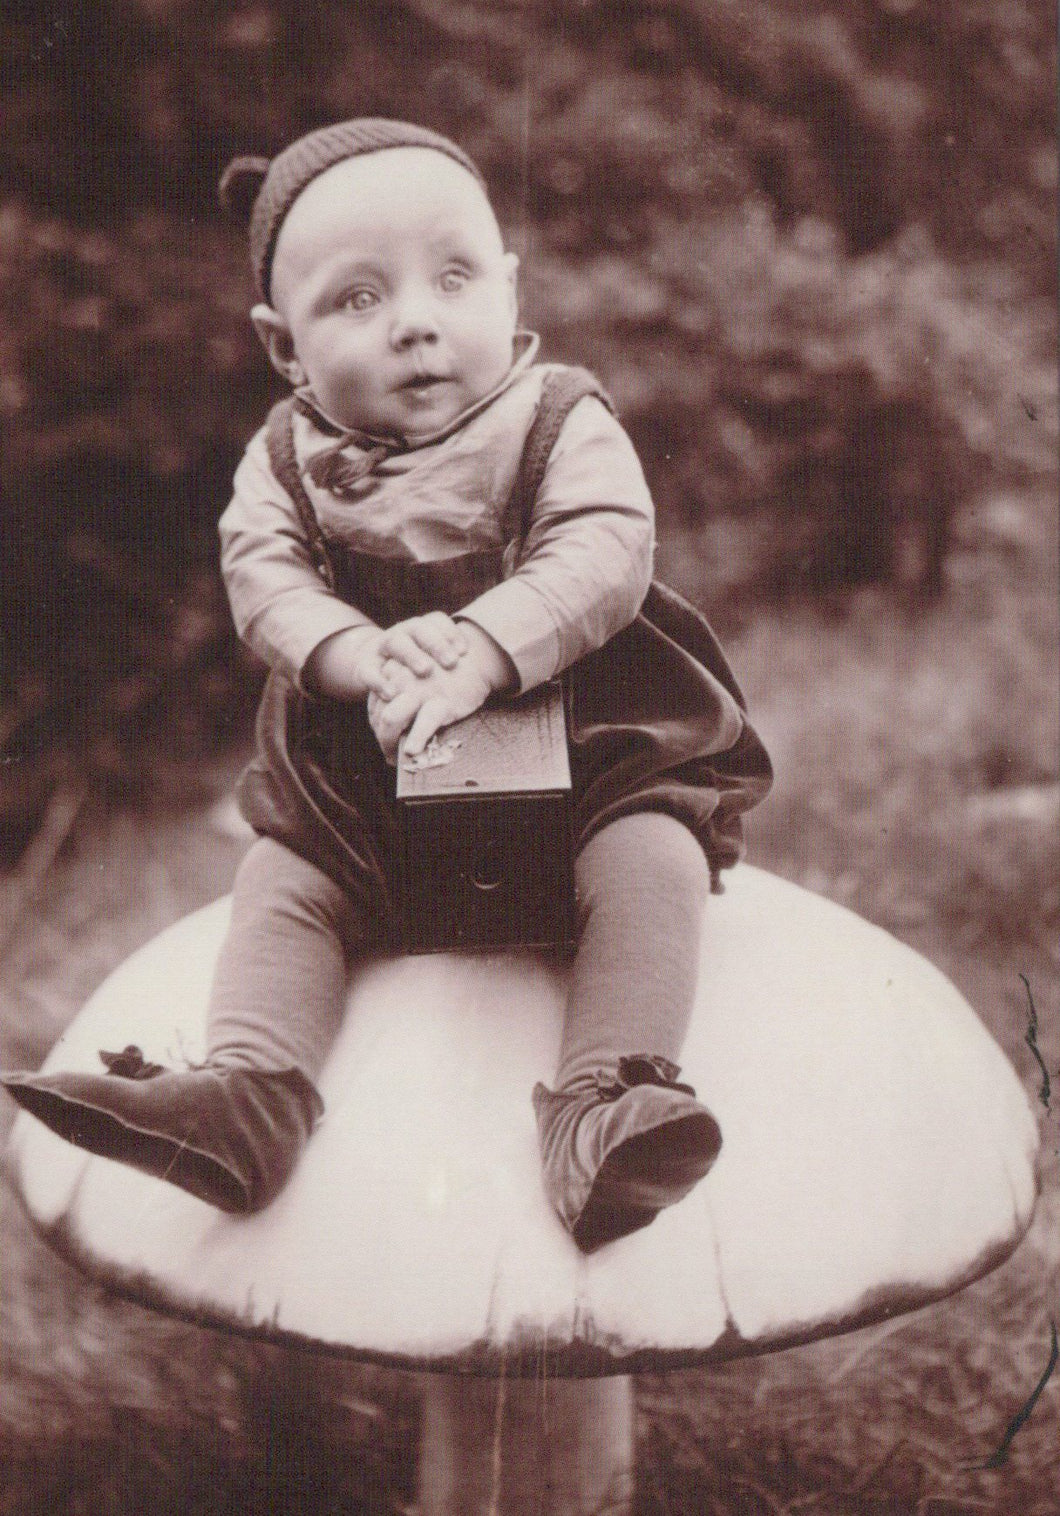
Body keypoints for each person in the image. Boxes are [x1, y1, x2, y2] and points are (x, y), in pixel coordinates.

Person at [2, 119, 771, 1252]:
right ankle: (250, 1096)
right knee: (285, 877)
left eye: (452, 276)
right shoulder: (281, 460)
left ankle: (605, 1105)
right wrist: (360, 653)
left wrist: (481, 644)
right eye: (356, 301)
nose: (416, 319)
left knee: (650, 851)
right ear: (283, 345)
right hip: (374, 803)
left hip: (583, 774)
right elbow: (260, 581)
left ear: (507, 285)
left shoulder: (558, 416)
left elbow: (604, 547)